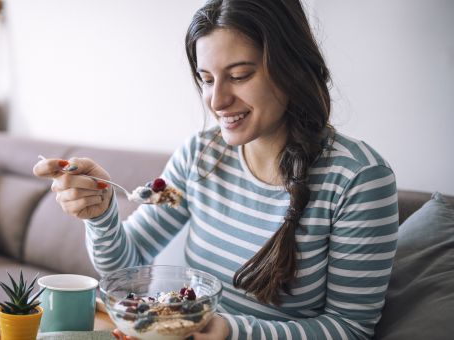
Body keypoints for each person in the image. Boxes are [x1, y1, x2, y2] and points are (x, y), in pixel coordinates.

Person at [33, 0, 399, 338]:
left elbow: (351, 328)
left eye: (239, 75)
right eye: (206, 79)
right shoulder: (200, 154)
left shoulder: (359, 179)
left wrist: (232, 331)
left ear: (292, 69)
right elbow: (124, 271)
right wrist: (101, 215)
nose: (218, 100)